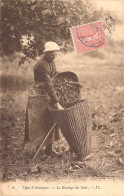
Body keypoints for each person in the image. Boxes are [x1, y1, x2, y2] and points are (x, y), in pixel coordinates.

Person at [24, 41, 64, 156]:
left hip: (46, 94)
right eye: (51, 53)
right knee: (39, 122)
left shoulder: (50, 62)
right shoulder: (42, 64)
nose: (54, 55)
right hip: (38, 95)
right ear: (46, 53)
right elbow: (48, 83)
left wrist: (62, 75)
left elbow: (54, 74)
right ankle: (38, 150)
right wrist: (56, 102)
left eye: (55, 53)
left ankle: (48, 149)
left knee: (49, 120)